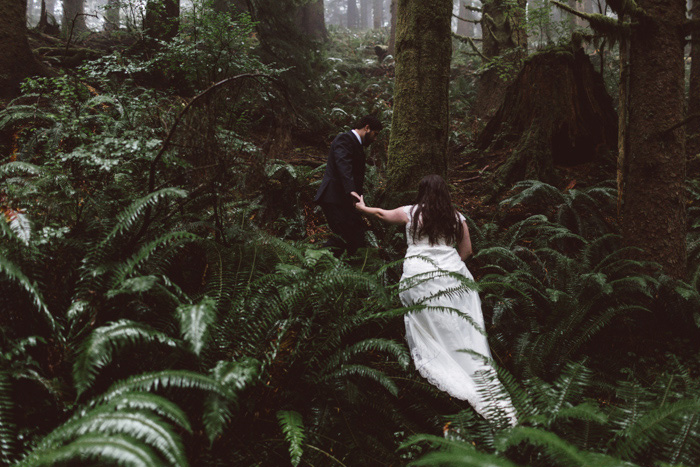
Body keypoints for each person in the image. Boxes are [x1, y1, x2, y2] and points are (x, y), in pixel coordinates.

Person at [353, 174, 516, 424]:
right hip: (453, 276)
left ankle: (446, 364)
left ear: (422, 192)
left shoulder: (412, 212)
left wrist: (362, 207)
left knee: (430, 320)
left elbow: (382, 215)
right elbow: (468, 250)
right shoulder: (457, 217)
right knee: (461, 326)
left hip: (419, 276)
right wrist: (449, 265)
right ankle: (476, 376)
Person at [314, 115, 383, 257]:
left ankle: (345, 271)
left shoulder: (356, 145)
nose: (375, 139)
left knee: (355, 236)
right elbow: (343, 164)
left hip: (346, 201)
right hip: (334, 198)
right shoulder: (344, 139)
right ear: (367, 128)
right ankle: (314, 262)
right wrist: (351, 189)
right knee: (342, 235)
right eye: (375, 134)